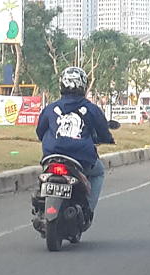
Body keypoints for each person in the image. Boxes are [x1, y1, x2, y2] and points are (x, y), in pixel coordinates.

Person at [36, 66, 115, 221]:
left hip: (52, 155)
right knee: (98, 172)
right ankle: (88, 210)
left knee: (43, 176)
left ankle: (40, 199)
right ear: (83, 86)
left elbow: (40, 132)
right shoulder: (91, 109)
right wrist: (108, 139)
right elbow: (103, 132)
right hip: (81, 158)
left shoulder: (51, 108)